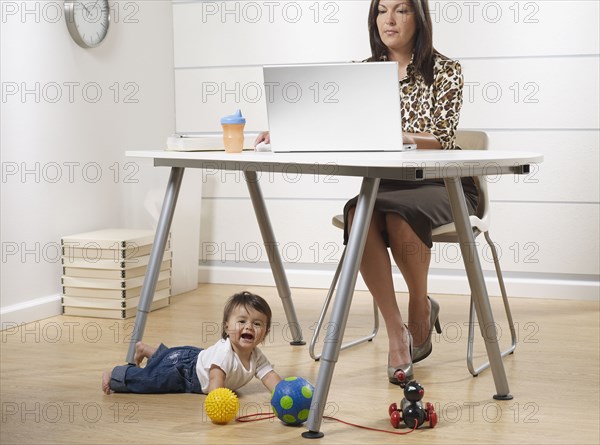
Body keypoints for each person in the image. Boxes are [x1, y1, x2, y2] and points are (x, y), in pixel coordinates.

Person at [255, 0, 478, 385]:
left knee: (396, 215)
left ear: (419, 17)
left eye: (401, 10)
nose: (388, 20)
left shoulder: (446, 71)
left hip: (442, 182)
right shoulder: (363, 73)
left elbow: (442, 139)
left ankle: (420, 308)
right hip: (386, 182)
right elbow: (335, 124)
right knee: (360, 213)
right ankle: (397, 334)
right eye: (381, 11)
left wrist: (400, 135)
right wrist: (288, 130)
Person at [102, 291, 282, 394]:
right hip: (184, 371)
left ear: (265, 333)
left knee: (167, 359)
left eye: (257, 324)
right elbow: (215, 381)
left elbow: (270, 377)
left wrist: (285, 394)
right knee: (151, 379)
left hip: (194, 358)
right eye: (241, 321)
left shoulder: (257, 357)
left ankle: (146, 350)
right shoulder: (224, 354)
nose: (249, 327)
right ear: (226, 327)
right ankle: (116, 374)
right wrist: (219, 400)